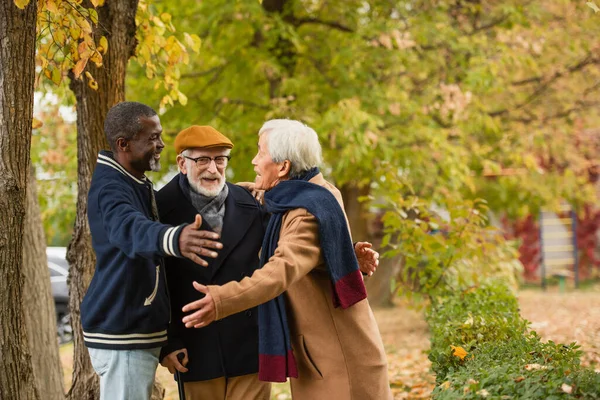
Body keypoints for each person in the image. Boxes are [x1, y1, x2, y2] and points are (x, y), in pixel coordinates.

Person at [180, 119, 392, 399]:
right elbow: (258, 197)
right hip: (326, 355)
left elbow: (280, 271)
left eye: (261, 152)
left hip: (339, 364)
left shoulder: (307, 211)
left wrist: (220, 300)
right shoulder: (307, 193)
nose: (254, 161)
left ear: (283, 167)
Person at [81, 102, 223, 400]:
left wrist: (166, 342)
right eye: (153, 138)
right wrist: (175, 238)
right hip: (123, 335)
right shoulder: (112, 187)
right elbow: (128, 228)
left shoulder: (134, 182)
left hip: (137, 334)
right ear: (124, 144)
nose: (161, 145)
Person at [156, 125, 272, 400]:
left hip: (248, 344)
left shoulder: (250, 201)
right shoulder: (159, 208)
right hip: (194, 348)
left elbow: (285, 245)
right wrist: (166, 343)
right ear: (182, 164)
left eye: (220, 159)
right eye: (203, 160)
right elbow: (153, 282)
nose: (213, 169)